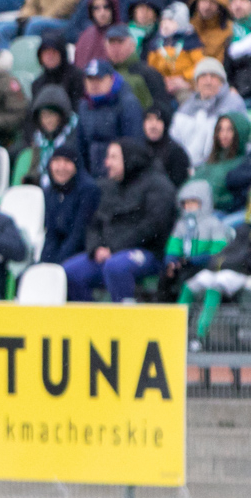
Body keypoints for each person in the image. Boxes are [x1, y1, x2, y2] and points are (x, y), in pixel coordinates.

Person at [62, 138, 177, 301]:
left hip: (147, 253)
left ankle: (125, 315)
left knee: (116, 267)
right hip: (108, 253)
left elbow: (153, 226)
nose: (107, 163)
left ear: (129, 158)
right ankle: (89, 316)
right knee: (69, 272)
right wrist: (96, 248)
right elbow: (94, 224)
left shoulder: (158, 185)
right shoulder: (107, 187)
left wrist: (115, 248)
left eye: (113, 157)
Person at [179, 218, 251, 349]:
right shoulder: (241, 232)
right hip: (222, 271)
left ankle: (201, 335)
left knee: (215, 286)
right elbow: (218, 258)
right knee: (190, 285)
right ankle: (176, 329)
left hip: (241, 274)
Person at [170, 58, 245, 168]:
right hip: (189, 167)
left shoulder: (233, 103)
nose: (208, 81)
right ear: (197, 82)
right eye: (203, 76)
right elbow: (175, 139)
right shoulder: (186, 108)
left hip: (223, 165)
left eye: (213, 76)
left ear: (222, 81)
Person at [38, 143, 102, 265]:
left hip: (83, 253)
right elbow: (51, 234)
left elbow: (79, 234)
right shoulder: (50, 192)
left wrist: (57, 265)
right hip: (61, 253)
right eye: (57, 161)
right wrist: (45, 264)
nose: (61, 167)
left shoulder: (88, 190)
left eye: (67, 161)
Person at [194, 113, 249, 211]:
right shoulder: (210, 163)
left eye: (230, 130)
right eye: (220, 129)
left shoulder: (244, 164)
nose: (224, 135)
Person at [148, 1, 203, 99]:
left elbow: (199, 65)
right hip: (162, 84)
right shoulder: (156, 42)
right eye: (163, 21)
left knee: (185, 97)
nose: (165, 25)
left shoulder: (191, 41)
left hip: (185, 84)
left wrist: (183, 77)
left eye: (170, 21)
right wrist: (162, 79)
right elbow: (151, 66)